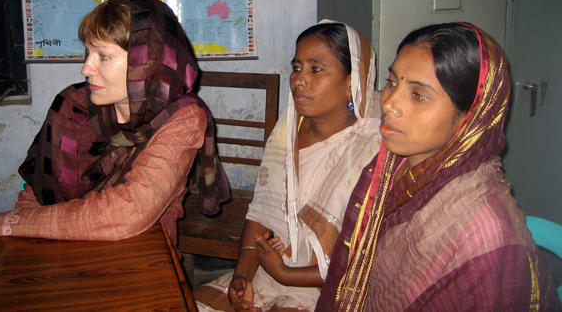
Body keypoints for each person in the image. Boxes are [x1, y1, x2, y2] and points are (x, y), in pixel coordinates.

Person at [316, 22, 562, 311]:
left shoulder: (483, 235)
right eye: (393, 81)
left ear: (471, 117)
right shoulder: (391, 167)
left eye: (418, 95)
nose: (389, 102)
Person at [0, 0, 229, 246]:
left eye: (103, 56)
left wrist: (19, 225)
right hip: (58, 243)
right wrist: (20, 235)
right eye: (88, 52)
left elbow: (129, 211)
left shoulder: (182, 119)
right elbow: (36, 190)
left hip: (143, 252)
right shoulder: (73, 105)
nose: (86, 68)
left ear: (146, 63)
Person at [195, 21, 382, 312]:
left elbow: (362, 260)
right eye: (297, 67)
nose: (298, 80)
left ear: (351, 82)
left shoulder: (371, 150)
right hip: (269, 271)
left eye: (315, 69)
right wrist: (243, 274)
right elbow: (261, 212)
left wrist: (285, 273)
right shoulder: (288, 132)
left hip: (329, 288)